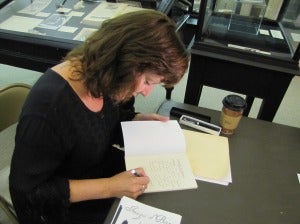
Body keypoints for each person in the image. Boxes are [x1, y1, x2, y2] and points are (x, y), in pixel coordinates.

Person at [9, 9, 189, 224]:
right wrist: (109, 187)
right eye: (148, 82)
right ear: (126, 63)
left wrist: (133, 121)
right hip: (66, 208)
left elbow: (100, 124)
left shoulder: (107, 80)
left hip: (103, 178)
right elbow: (28, 194)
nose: (146, 92)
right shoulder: (49, 108)